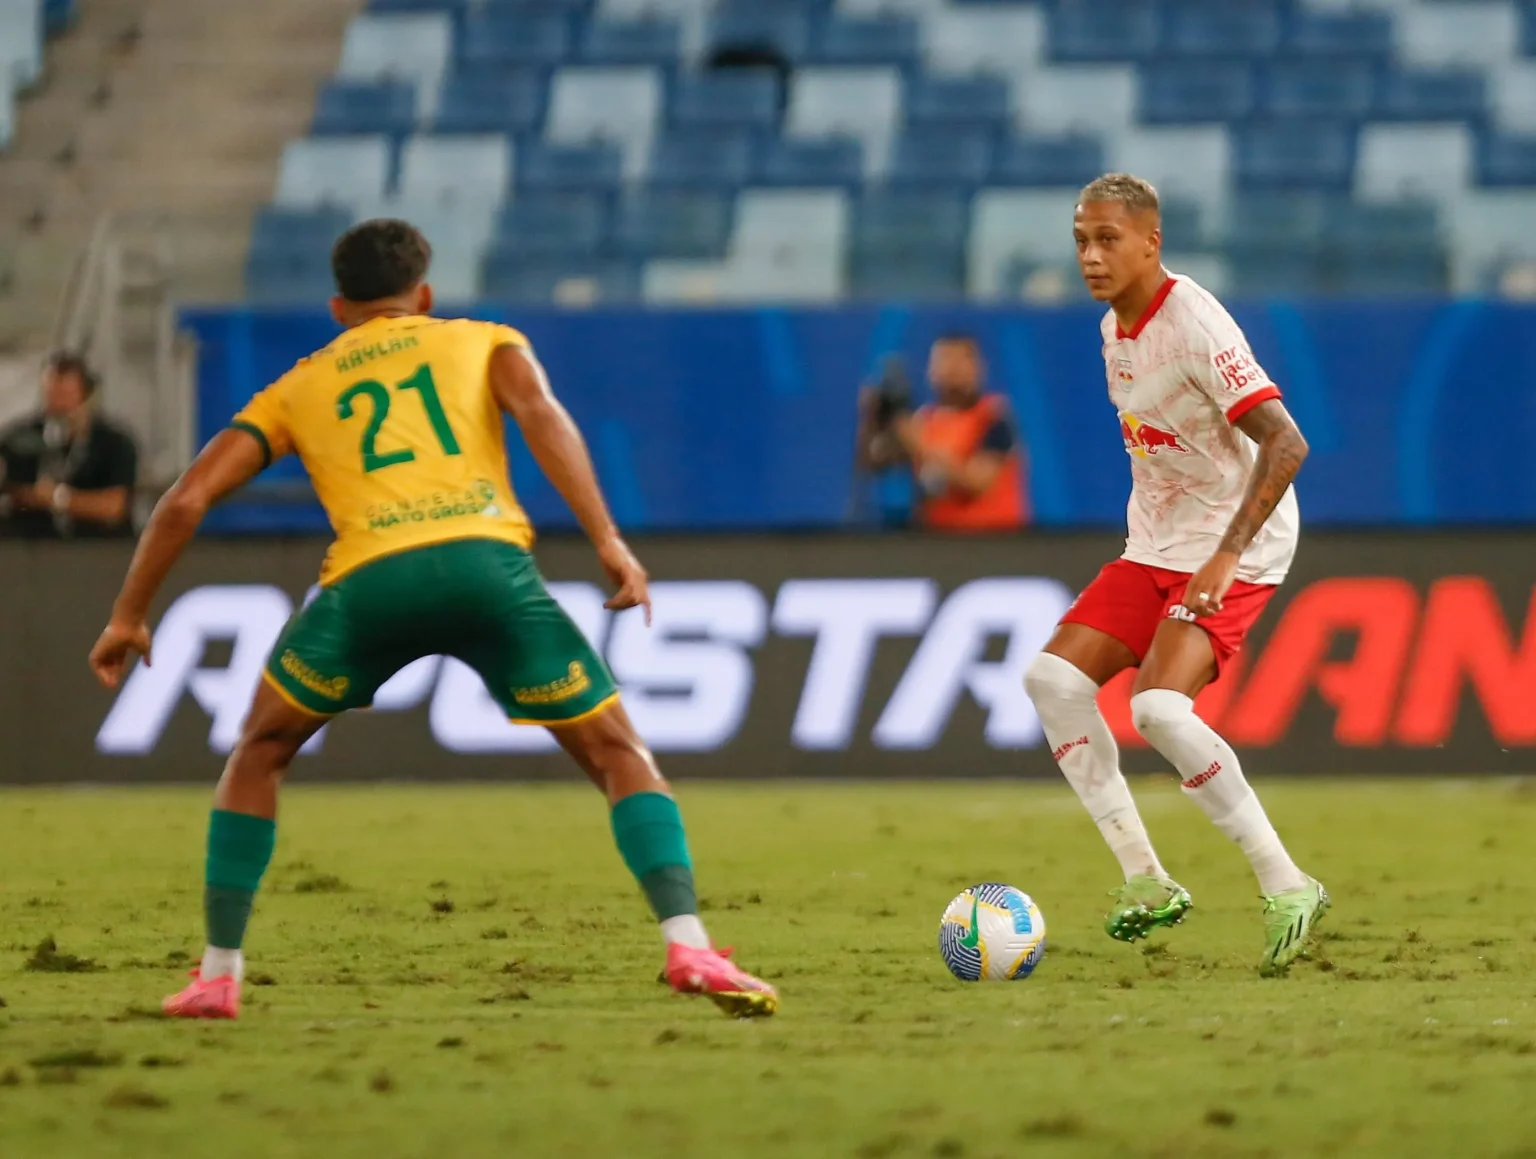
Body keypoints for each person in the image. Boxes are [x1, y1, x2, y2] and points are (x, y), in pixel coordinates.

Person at [87, 219, 777, 1020]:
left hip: (370, 586)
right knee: (617, 750)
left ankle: (218, 972)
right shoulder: (485, 341)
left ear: (338, 306)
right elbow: (545, 417)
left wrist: (130, 615)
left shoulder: (295, 387)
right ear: (425, 294)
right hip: (489, 569)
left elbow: (187, 499)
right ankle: (688, 941)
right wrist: (609, 542)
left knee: (260, 749)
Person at [1022, 174, 1328, 976]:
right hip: (1155, 544)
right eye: (1081, 240)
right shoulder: (1112, 331)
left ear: (1151, 242)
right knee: (1052, 681)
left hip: (1238, 545)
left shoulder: (1193, 323)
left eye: (1108, 239)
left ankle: (1287, 881)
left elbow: (1287, 444)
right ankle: (1147, 879)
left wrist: (1225, 555)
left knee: (1157, 707)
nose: (1091, 255)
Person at [856, 333, 1028, 532]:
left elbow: (978, 481)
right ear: (930, 370)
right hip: (939, 544)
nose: (952, 369)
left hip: (992, 539)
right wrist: (871, 419)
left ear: (979, 367)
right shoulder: (923, 420)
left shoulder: (994, 417)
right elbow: (874, 460)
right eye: (944, 360)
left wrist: (918, 444)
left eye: (961, 360)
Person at [0, 353, 138, 538]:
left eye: (65, 396)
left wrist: (59, 499)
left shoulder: (114, 443)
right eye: (51, 396)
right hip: (35, 546)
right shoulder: (19, 437)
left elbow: (115, 506)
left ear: (87, 397)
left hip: (97, 546)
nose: (58, 406)